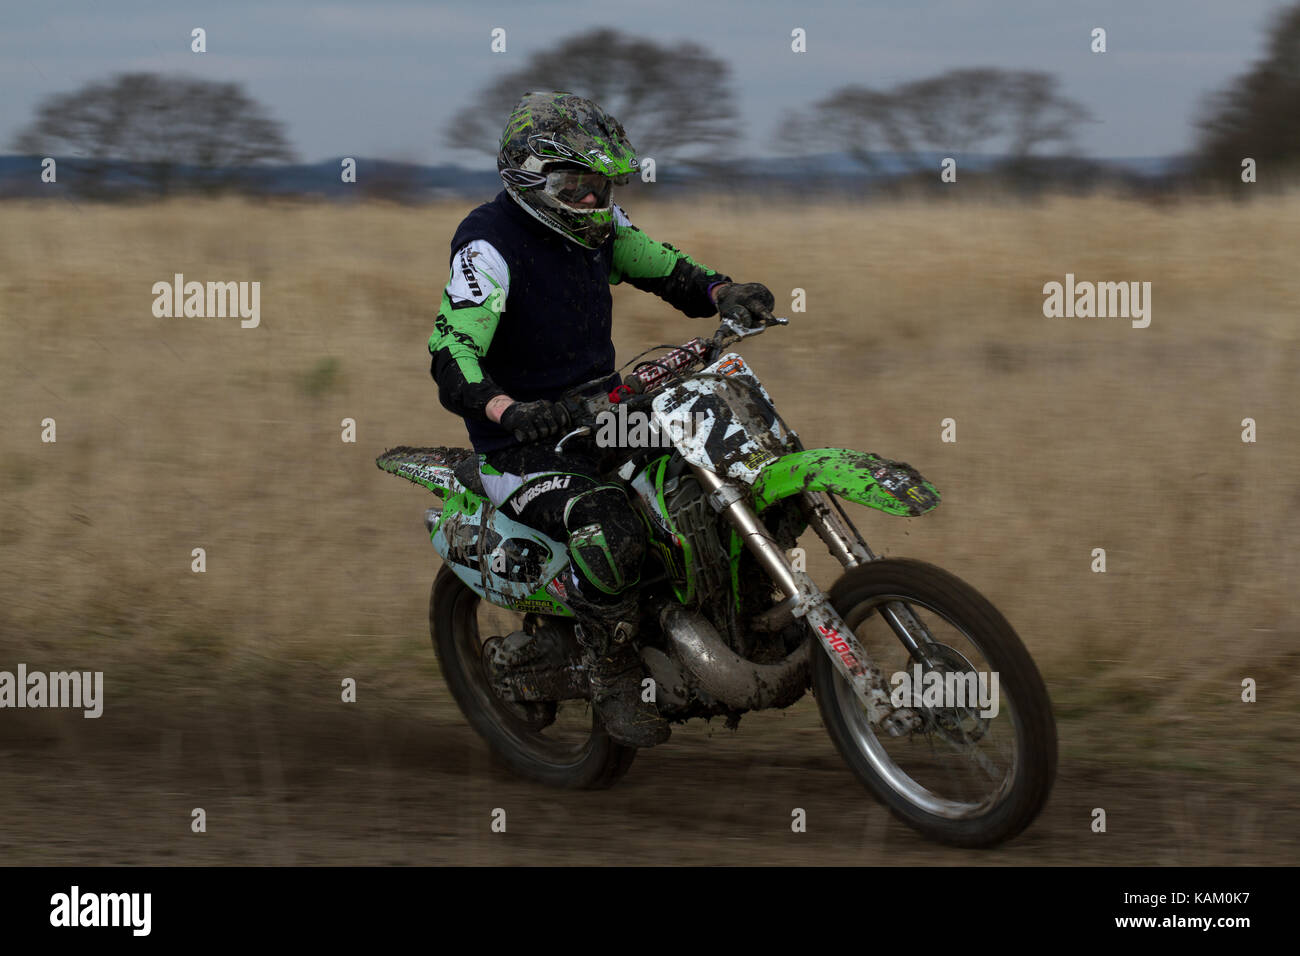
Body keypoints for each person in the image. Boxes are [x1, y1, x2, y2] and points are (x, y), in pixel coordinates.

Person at [428, 91, 775, 747]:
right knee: (608, 521)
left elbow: (664, 267)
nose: (593, 201)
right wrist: (512, 410)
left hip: (601, 417)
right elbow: (453, 353)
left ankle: (736, 616)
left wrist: (721, 291)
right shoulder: (488, 247)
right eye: (576, 186)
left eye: (602, 186)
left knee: (710, 465)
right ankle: (611, 673)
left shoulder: (601, 231)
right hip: (521, 445)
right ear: (530, 179)